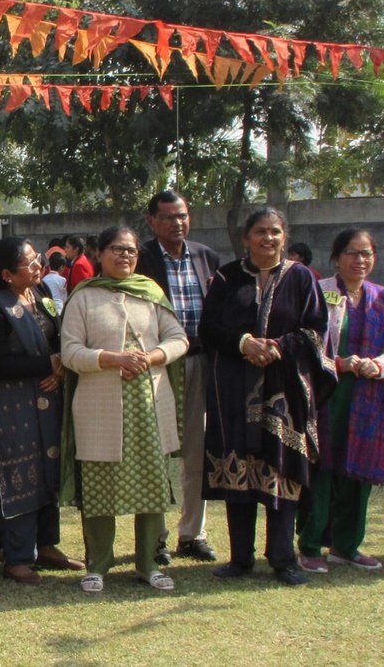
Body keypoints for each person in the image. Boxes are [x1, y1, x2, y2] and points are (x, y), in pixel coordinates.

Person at [198, 207, 332, 586]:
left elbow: (316, 330)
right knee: (239, 471)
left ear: (284, 236)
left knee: (280, 468)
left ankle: (283, 559)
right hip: (233, 389)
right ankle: (241, 558)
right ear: (246, 238)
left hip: (283, 389)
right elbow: (209, 327)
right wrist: (244, 343)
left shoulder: (302, 278)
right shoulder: (227, 278)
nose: (268, 238)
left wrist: (277, 347)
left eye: (275, 231)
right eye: (260, 231)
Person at [61, 226, 189, 593]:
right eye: (117, 249)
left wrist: (152, 357)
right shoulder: (83, 297)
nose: (125, 256)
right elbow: (70, 352)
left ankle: (148, 564)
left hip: (148, 409)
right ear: (99, 253)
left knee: (151, 486)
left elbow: (179, 339)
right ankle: (98, 565)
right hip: (99, 409)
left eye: (131, 250)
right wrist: (113, 359)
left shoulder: (151, 293)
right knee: (100, 489)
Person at [297, 230, 384, 574]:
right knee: (321, 470)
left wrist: (381, 365)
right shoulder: (318, 293)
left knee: (360, 472)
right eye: (351, 253)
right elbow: (303, 340)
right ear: (336, 258)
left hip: (371, 399)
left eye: (366, 253)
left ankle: (346, 546)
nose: (359, 260)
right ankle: (311, 545)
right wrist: (338, 363)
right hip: (326, 395)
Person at [0, 238, 69, 586]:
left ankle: (46, 544)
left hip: (46, 399)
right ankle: (18, 558)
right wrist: (47, 365)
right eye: (30, 263)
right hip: (7, 408)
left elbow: (55, 339)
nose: (39, 266)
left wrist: (58, 370)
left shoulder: (39, 294)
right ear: (7, 274)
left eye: (38, 259)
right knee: (19, 476)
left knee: (49, 466)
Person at [134, 189, 221, 564]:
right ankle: (155, 538)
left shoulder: (206, 256)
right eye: (168, 217)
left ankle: (192, 533)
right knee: (153, 452)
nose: (177, 223)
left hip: (199, 362)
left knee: (198, 452)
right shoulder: (139, 258)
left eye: (182, 215)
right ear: (152, 221)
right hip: (155, 364)